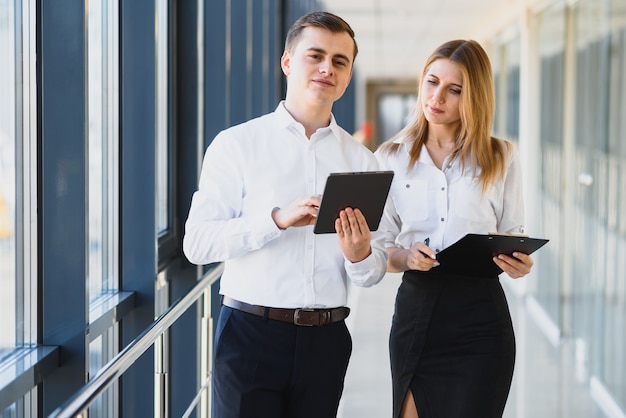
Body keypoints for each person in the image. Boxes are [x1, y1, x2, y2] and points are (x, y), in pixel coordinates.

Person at [183, 11, 387, 418]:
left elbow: (373, 272)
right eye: (316, 55)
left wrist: (360, 252)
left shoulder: (363, 163)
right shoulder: (236, 145)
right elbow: (197, 244)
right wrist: (274, 220)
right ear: (288, 62)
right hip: (249, 336)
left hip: (326, 341)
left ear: (347, 76)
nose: (328, 68)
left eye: (340, 61)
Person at [375, 39, 534, 418]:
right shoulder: (390, 157)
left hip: (481, 320)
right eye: (432, 82)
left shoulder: (501, 157)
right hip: (418, 313)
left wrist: (520, 263)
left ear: (474, 97)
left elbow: (512, 233)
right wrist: (406, 256)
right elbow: (380, 249)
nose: (437, 96)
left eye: (454, 89)